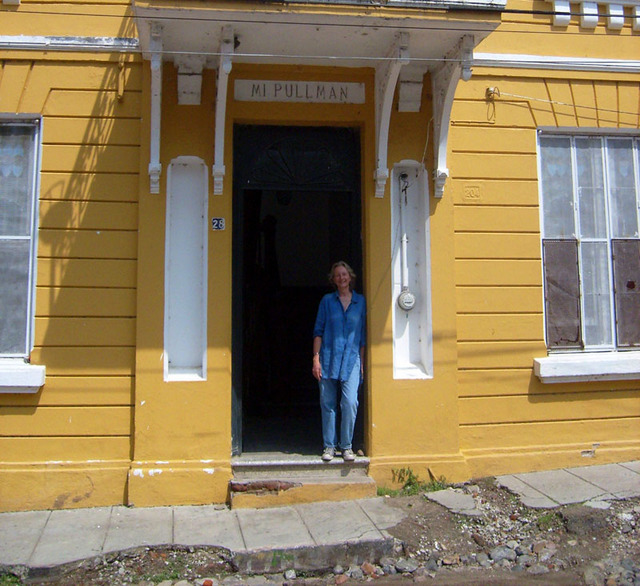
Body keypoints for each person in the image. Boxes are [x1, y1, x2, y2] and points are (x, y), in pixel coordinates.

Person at [312, 261, 366, 462]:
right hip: (328, 357)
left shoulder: (360, 302)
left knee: (350, 402)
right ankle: (329, 446)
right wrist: (316, 359)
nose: (342, 278)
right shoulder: (327, 301)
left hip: (352, 359)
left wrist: (362, 363)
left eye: (344, 274)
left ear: (350, 277)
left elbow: (362, 337)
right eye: (337, 275)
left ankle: (346, 446)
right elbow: (318, 331)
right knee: (328, 403)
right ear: (333, 280)